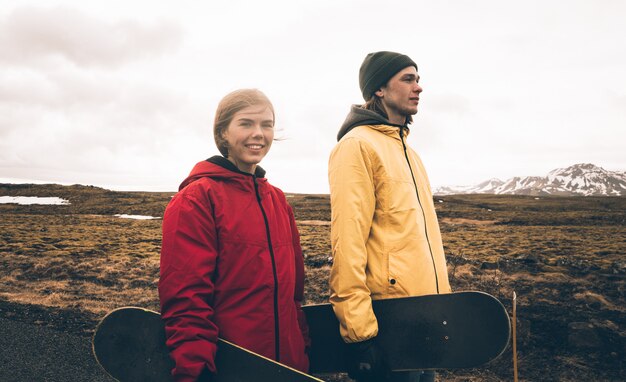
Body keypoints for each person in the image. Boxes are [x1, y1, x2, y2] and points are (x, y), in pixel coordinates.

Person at [159, 89, 310, 382]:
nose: (259, 134)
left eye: (266, 125)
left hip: (289, 368)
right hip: (231, 369)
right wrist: (195, 372)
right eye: (246, 123)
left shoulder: (278, 201)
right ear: (223, 133)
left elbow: (293, 298)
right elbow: (186, 299)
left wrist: (302, 353)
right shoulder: (196, 199)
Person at [328, 51, 452, 382]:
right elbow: (348, 242)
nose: (419, 87)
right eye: (408, 79)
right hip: (388, 322)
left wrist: (443, 312)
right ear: (379, 89)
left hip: (424, 320)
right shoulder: (357, 147)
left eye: (418, 78)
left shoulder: (410, 153)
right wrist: (359, 334)